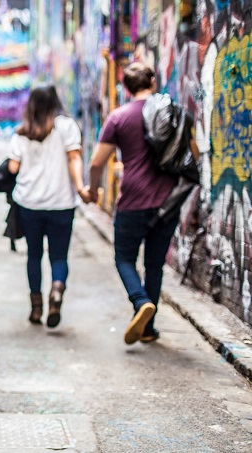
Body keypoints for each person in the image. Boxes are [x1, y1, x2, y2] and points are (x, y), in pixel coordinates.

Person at [86, 62, 199, 345]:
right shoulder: (173, 113)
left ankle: (140, 302)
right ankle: (148, 328)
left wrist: (93, 190)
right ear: (153, 79)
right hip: (167, 203)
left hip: (133, 202)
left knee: (123, 258)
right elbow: (193, 153)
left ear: (125, 87)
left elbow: (97, 162)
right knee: (154, 265)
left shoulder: (119, 117)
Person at [7, 86, 90, 328]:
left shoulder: (22, 131)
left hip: (29, 202)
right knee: (58, 255)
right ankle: (57, 289)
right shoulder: (67, 126)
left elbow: (13, 168)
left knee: (34, 254)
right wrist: (81, 188)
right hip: (61, 202)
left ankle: (36, 308)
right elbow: (74, 158)